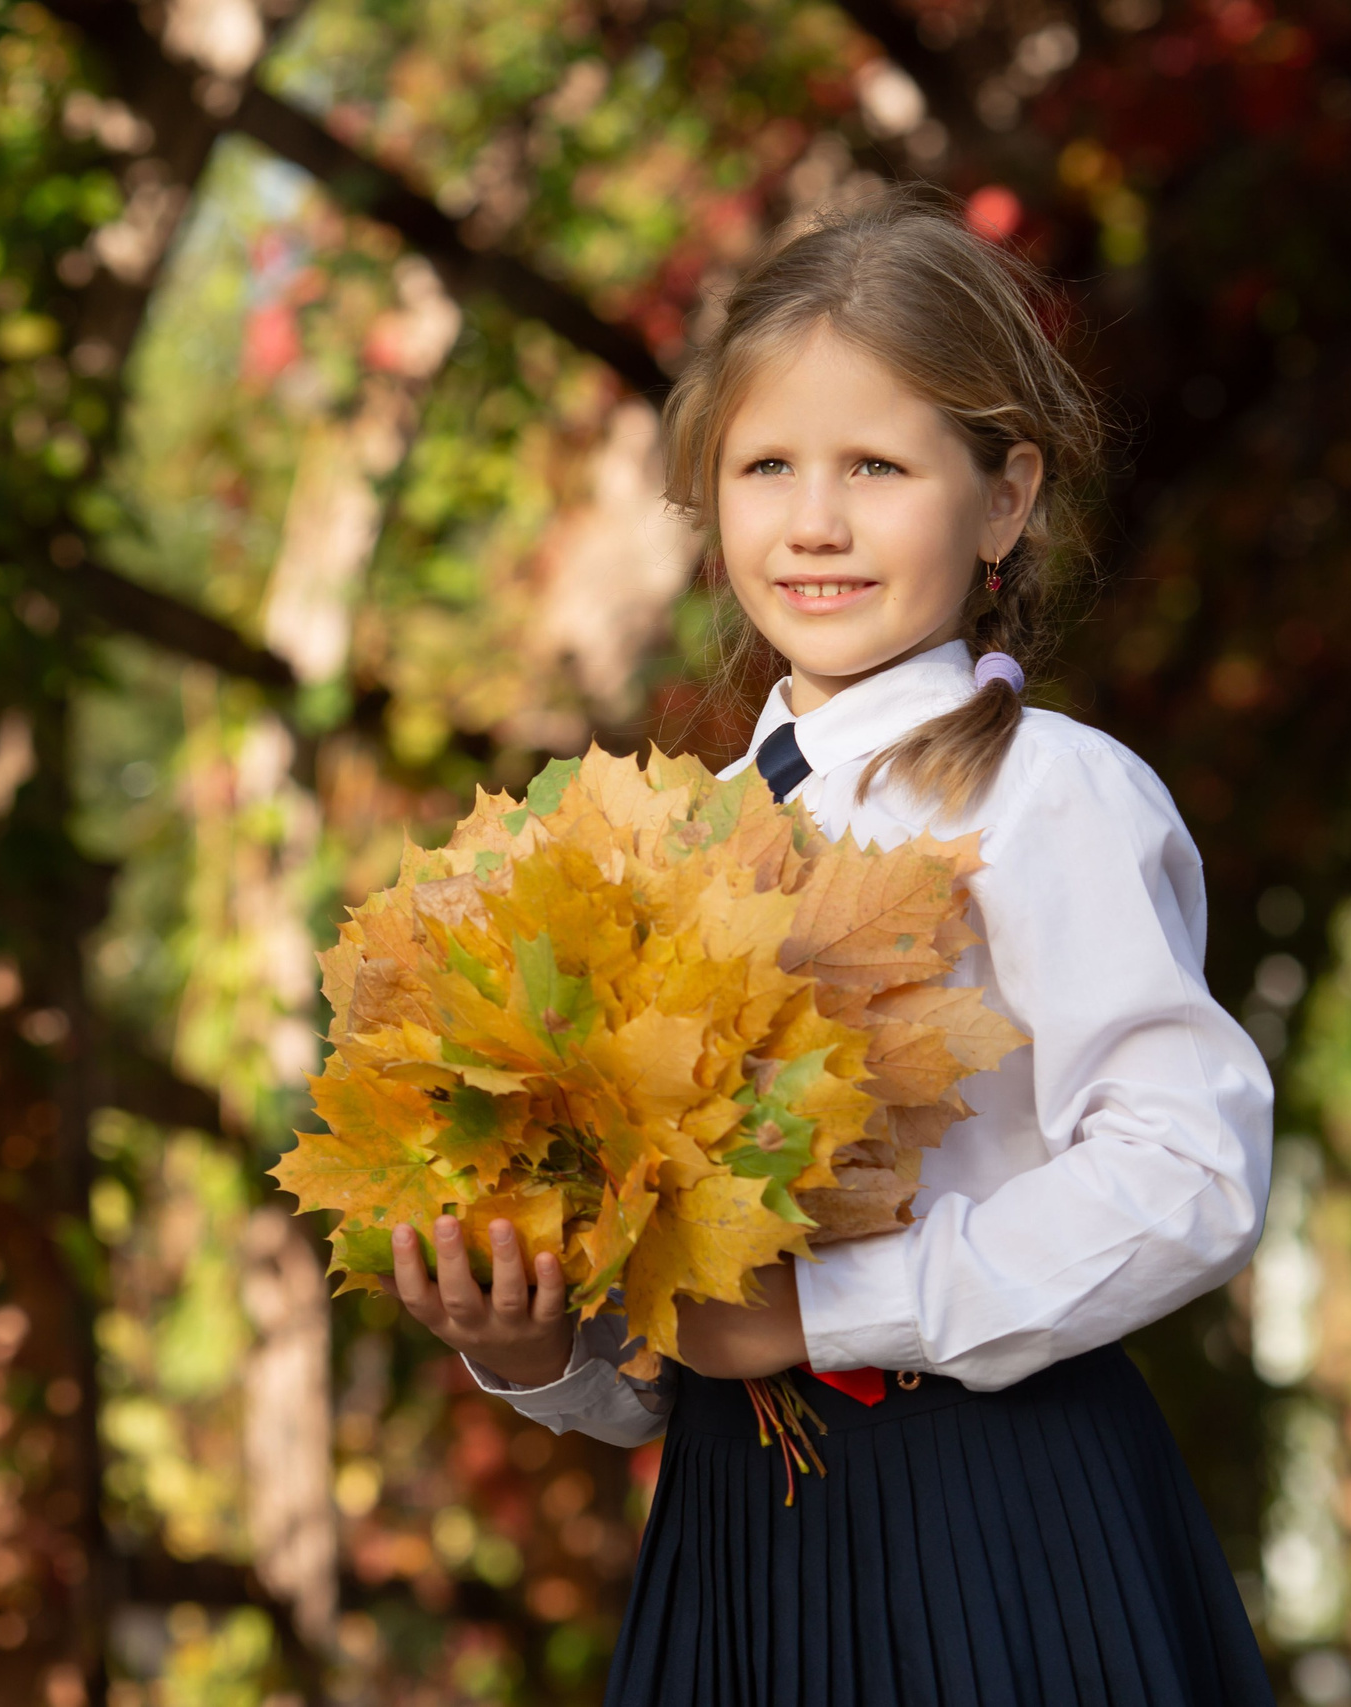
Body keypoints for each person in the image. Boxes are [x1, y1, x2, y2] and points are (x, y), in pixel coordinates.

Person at [385, 191, 1277, 1706]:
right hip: (741, 1549)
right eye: (766, 466)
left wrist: (828, 1314)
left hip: (1001, 1533)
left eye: (876, 465)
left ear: (1003, 498)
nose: (814, 519)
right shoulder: (651, 849)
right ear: (708, 496)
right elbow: (673, 1344)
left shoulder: (1047, 793)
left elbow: (1189, 1171)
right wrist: (539, 1352)